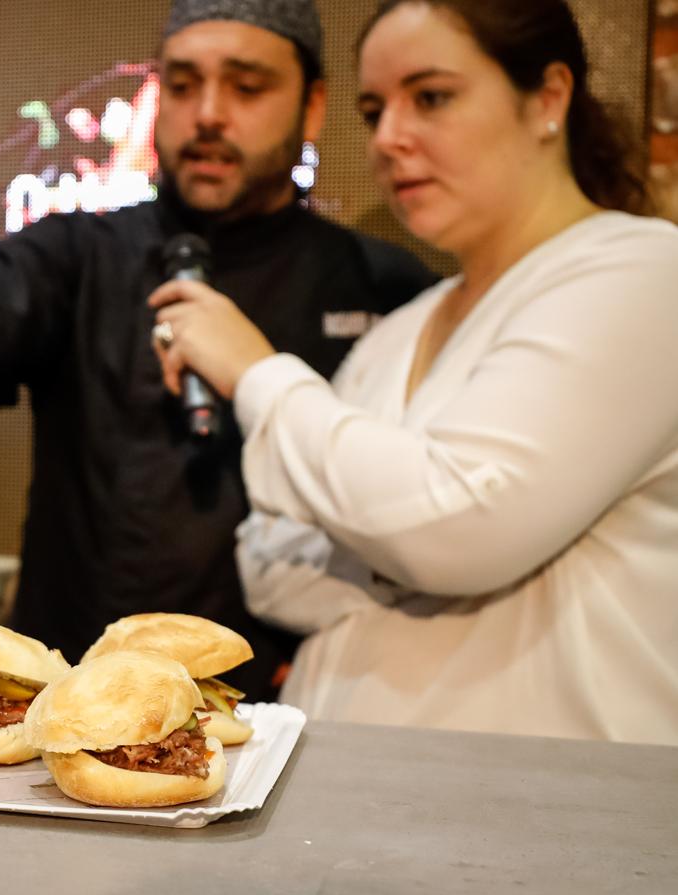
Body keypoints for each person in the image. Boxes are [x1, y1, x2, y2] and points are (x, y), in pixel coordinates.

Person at [0, 0, 435, 697]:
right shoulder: (77, 254)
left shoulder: (386, 285)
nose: (208, 114)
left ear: (312, 107)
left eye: (247, 87)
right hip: (72, 697)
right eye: (183, 86)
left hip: (289, 703)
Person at [149, 0, 678, 743]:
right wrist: (399, 542)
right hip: (342, 797)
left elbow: (460, 527)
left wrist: (261, 374)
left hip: (552, 814)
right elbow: (271, 565)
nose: (390, 139)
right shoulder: (399, 331)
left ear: (548, 97)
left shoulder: (644, 273)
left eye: (431, 97)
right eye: (373, 110)